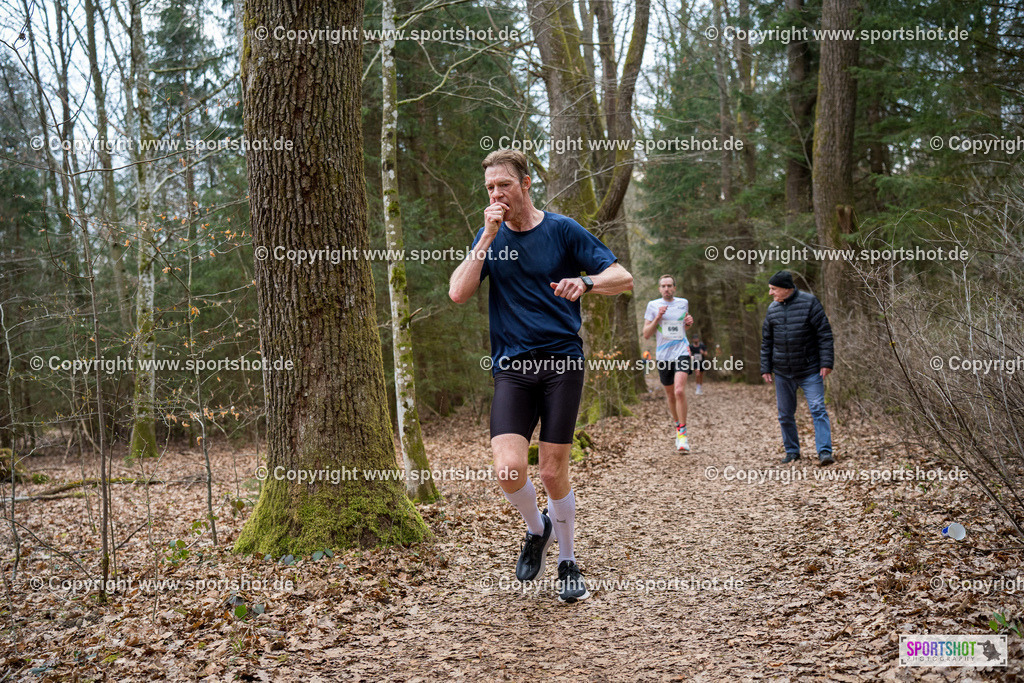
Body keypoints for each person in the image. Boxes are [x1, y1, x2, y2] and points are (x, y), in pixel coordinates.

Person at [448, 149, 633, 603]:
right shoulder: (489, 238)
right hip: (512, 366)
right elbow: (457, 293)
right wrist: (485, 238)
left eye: (504, 185)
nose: (496, 194)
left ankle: (568, 561)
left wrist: (586, 282)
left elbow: (623, 277)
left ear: (526, 184)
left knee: (551, 472)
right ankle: (538, 529)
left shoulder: (562, 229)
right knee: (509, 469)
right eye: (490, 188)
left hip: (561, 362)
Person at [759, 270, 835, 466]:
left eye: (773, 289)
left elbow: (824, 334)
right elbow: (767, 341)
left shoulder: (810, 303)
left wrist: (826, 362)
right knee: (785, 415)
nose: (770, 293)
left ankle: (824, 452)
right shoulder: (772, 309)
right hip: (782, 372)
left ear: (786, 288)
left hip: (810, 369)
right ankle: (792, 452)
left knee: (818, 409)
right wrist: (765, 367)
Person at [642, 275, 694, 452]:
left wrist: (688, 323)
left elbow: (682, 328)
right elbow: (646, 334)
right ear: (659, 289)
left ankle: (683, 435)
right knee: (671, 395)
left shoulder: (683, 303)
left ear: (674, 288)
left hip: (681, 351)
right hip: (663, 355)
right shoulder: (653, 305)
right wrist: (658, 317)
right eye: (663, 286)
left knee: (679, 391)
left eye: (669, 285)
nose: (666, 289)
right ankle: (677, 426)